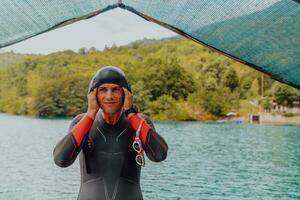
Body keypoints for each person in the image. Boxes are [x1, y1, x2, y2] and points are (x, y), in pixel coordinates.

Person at [53, 66, 168, 200]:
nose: (109, 96)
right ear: (93, 94)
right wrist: (90, 114)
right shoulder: (81, 122)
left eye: (115, 90)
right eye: (102, 90)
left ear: (126, 93)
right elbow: (61, 160)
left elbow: (159, 155)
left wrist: (131, 113)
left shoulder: (141, 122)